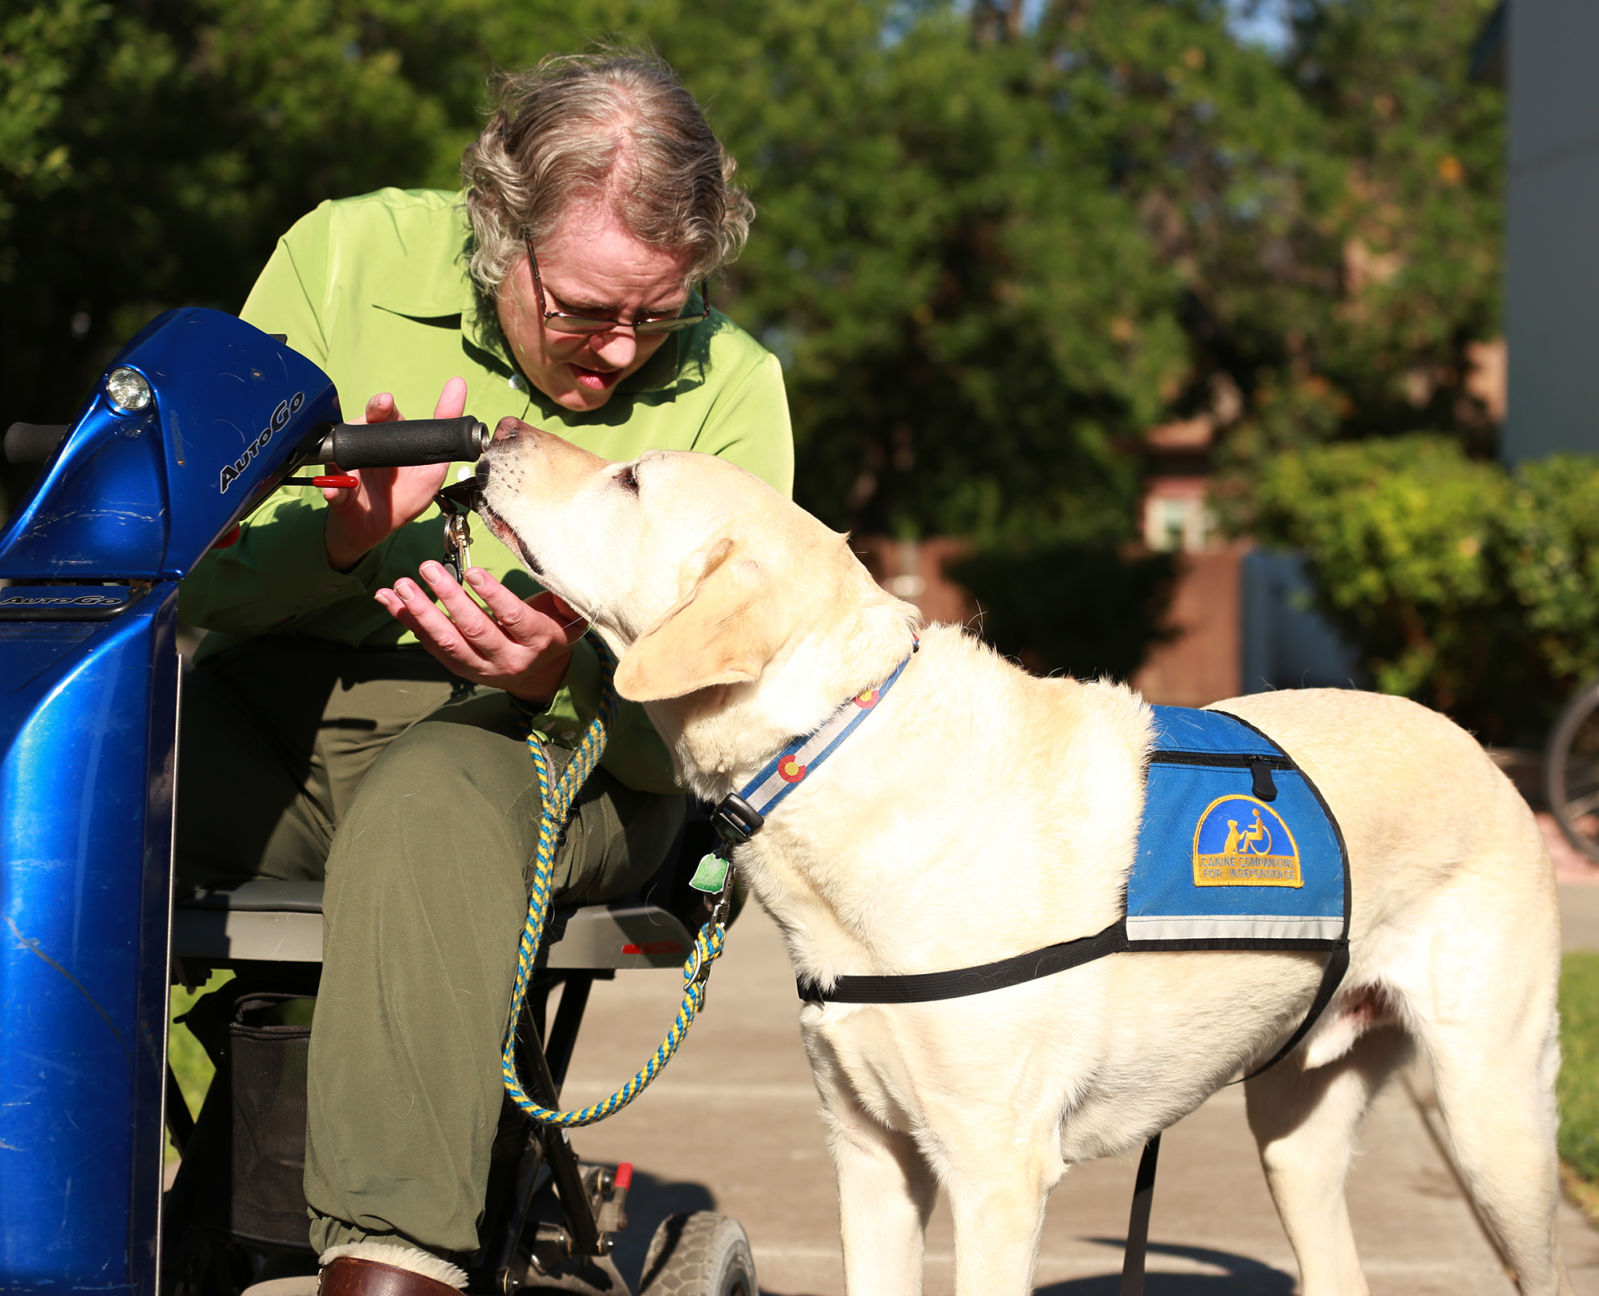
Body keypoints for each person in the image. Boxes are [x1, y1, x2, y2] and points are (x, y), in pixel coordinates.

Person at [174, 48, 793, 1294]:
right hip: (276, 723)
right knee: (56, 766)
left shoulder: (735, 390)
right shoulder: (338, 259)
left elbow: (735, 714)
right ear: (495, 229)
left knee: (433, 795)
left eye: (656, 314)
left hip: (561, 762)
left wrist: (566, 679)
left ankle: (389, 1273)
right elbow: (183, 581)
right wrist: (342, 540)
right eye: (583, 307)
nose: (620, 351)